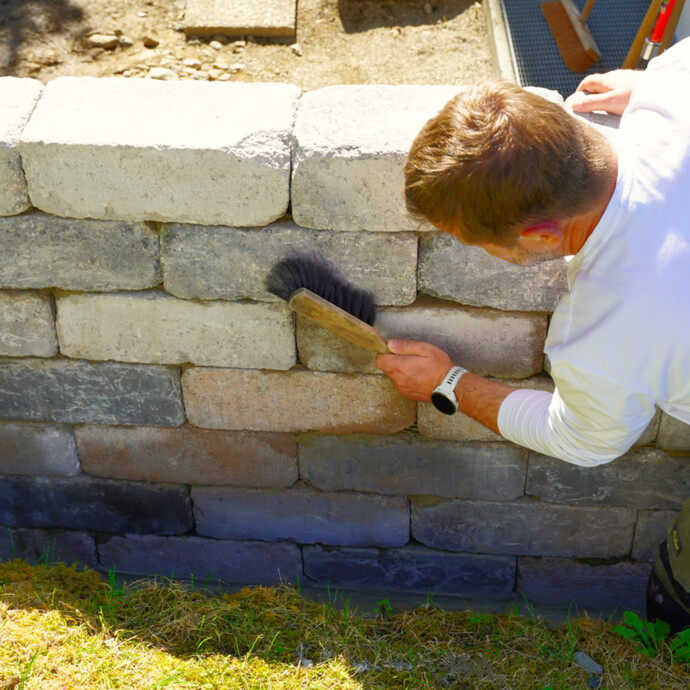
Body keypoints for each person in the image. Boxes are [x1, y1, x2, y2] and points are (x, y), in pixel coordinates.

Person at [375, 41, 690, 631]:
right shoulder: (677, 85)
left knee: (682, 591)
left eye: (480, 244)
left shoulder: (609, 325)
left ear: (544, 234)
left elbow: (583, 440)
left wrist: (449, 382)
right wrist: (650, 90)